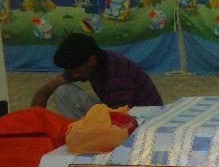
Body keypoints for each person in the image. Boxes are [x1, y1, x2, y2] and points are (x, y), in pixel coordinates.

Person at [31, 34, 162, 119]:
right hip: (117, 110)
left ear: (91, 60)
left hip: (144, 120)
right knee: (63, 91)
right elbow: (47, 89)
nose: (73, 75)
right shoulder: (90, 65)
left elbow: (123, 120)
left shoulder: (118, 74)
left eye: (76, 71)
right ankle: (76, 132)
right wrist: (35, 124)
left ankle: (81, 138)